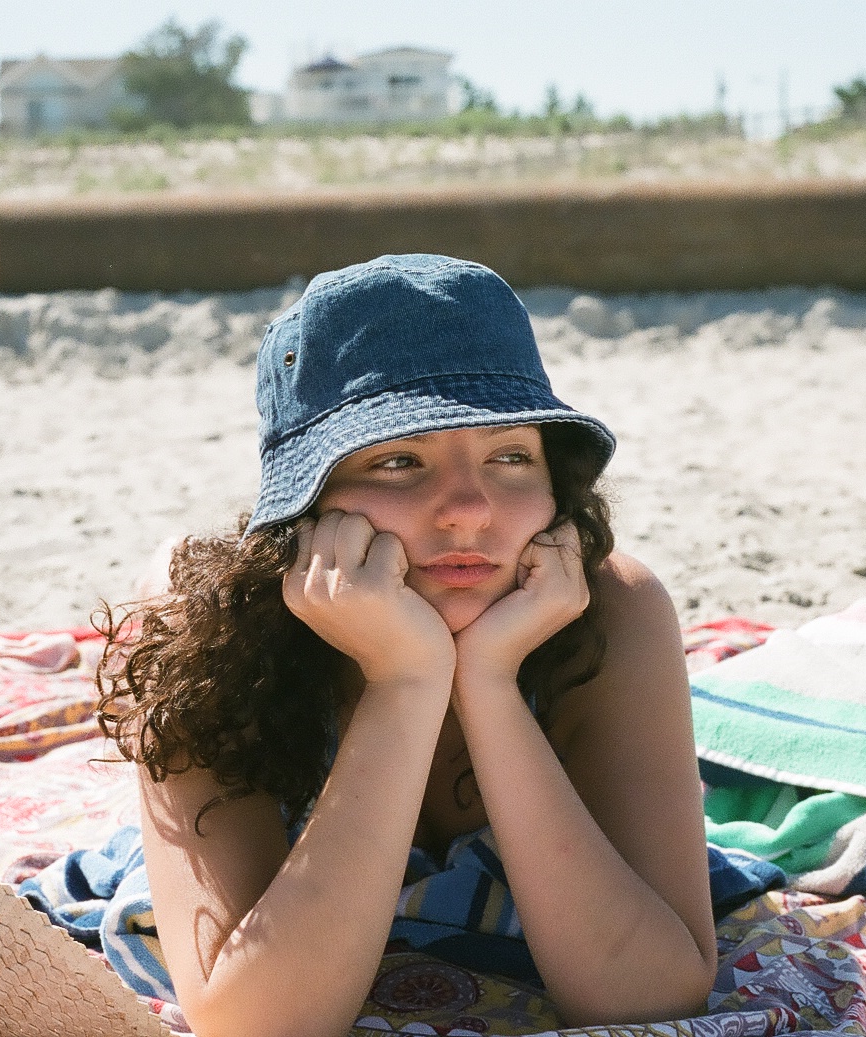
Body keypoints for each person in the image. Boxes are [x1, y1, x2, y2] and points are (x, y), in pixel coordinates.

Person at [98, 254, 716, 1037]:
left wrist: (489, 682)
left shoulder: (609, 610)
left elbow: (649, 999)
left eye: (509, 456)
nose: (467, 509)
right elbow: (258, 1021)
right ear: (307, 499)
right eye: (398, 461)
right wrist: (406, 681)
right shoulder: (203, 621)